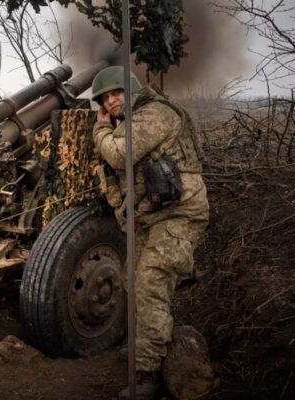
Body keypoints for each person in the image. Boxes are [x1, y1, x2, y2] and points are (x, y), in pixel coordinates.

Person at [91, 66, 209, 399]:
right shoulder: (133, 120)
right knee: (132, 279)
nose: (111, 101)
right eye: (105, 98)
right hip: (153, 215)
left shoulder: (154, 114)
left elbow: (118, 153)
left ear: (132, 91)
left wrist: (100, 128)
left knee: (150, 284)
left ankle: (145, 375)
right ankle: (145, 345)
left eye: (117, 93)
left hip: (180, 214)